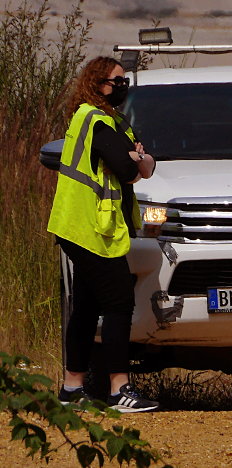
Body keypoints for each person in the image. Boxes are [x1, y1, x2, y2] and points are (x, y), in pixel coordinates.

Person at [48, 56, 160, 412]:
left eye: (124, 81)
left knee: (86, 306)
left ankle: (71, 389)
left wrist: (137, 160)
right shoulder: (93, 120)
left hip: (93, 228)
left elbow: (148, 164)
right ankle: (119, 390)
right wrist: (135, 161)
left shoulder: (114, 122)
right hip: (87, 227)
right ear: (97, 83)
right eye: (116, 81)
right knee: (118, 303)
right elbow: (130, 167)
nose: (122, 88)